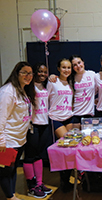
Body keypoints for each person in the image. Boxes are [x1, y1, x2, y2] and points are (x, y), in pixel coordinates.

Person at [0, 61, 35, 200]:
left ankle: (11, 195)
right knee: (5, 171)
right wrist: (1, 141)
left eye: (30, 73)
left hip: (19, 139)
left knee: (13, 169)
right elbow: (1, 118)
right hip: (8, 140)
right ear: (17, 73)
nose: (28, 76)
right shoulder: (8, 92)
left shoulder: (23, 90)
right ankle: (10, 196)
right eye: (24, 73)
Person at [23, 63, 52, 198]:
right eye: (40, 71)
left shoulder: (47, 86)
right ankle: (31, 186)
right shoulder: (29, 87)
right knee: (30, 155)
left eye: (45, 72)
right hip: (32, 124)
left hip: (44, 123)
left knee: (39, 154)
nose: (42, 74)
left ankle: (39, 183)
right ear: (35, 72)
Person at [47, 58, 74, 192]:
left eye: (68, 67)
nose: (66, 70)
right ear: (58, 68)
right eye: (63, 67)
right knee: (65, 146)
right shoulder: (52, 81)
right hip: (56, 118)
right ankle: (63, 181)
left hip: (69, 117)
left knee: (69, 149)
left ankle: (67, 179)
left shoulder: (71, 82)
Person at [49, 55, 96, 129]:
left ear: (83, 62)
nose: (78, 66)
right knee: (74, 139)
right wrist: (52, 76)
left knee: (87, 138)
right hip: (75, 114)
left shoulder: (92, 74)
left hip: (88, 114)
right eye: (74, 65)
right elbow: (61, 81)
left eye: (79, 62)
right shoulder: (70, 78)